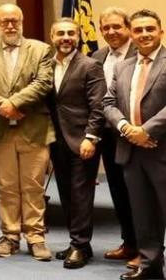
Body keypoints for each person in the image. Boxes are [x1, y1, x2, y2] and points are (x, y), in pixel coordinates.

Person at [102, 9, 166, 280]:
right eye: (138, 30)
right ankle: (149, 265)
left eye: (150, 29)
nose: (144, 34)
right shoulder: (122, 66)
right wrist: (125, 128)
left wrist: (145, 131)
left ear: (160, 32)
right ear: (131, 35)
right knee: (143, 214)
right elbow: (108, 103)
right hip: (131, 152)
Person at [0, 3, 55, 261]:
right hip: (1, 130)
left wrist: (15, 103)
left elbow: (44, 82)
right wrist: (3, 105)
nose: (10, 25)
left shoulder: (42, 49)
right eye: (4, 21)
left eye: (14, 20)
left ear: (22, 21)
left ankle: (36, 237)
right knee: (7, 187)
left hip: (34, 129)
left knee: (33, 185)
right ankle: (10, 236)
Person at [46, 18, 106, 269]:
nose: (66, 37)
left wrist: (91, 137)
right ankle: (79, 243)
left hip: (83, 140)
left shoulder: (90, 65)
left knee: (81, 194)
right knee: (67, 193)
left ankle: (79, 245)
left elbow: (99, 105)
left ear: (79, 36)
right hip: (56, 139)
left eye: (71, 33)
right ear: (52, 36)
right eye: (61, 33)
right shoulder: (47, 66)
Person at [90, 7, 138, 266]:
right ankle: (129, 242)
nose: (111, 32)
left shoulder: (140, 52)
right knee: (118, 190)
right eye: (106, 28)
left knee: (139, 192)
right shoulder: (97, 56)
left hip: (135, 133)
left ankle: (147, 246)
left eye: (117, 26)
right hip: (108, 134)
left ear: (128, 28)